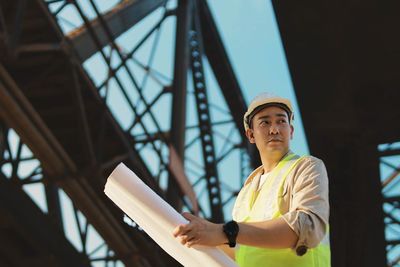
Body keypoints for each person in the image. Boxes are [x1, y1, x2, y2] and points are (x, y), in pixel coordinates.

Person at [173, 93, 331, 267]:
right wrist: (202, 235)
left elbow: (307, 228)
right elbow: (241, 248)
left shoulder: (306, 167)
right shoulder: (246, 191)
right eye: (265, 122)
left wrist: (224, 232)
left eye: (281, 121)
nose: (274, 130)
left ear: (291, 131)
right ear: (251, 135)